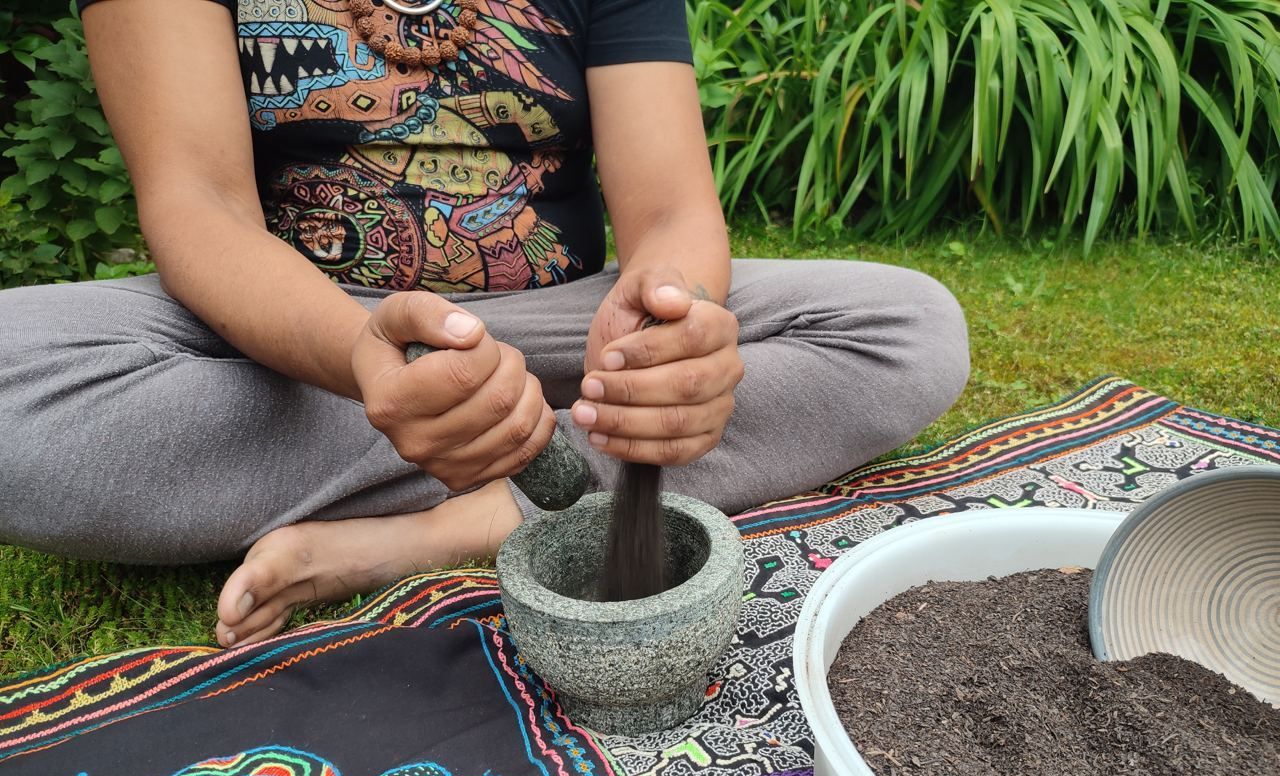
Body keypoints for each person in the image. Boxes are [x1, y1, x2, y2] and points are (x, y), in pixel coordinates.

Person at [0, 0, 969, 649]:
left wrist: (674, 327)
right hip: (296, 336)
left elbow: (670, 209)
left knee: (902, 323)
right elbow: (199, 205)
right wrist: (357, 357)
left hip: (565, 325)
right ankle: (552, 452)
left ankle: (444, 521)